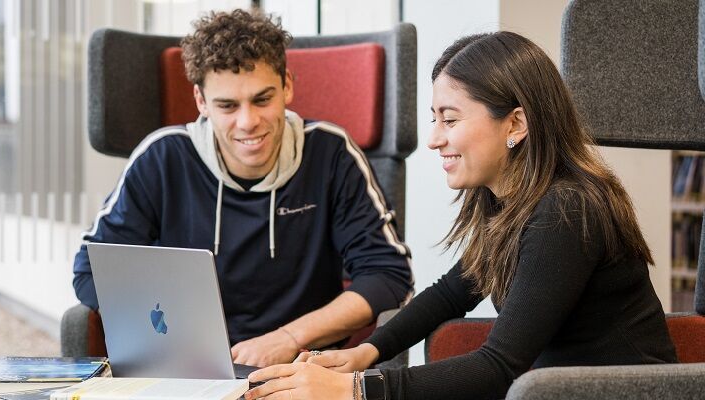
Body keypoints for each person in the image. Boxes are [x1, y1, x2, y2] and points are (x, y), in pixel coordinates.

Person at [244, 31, 678, 400]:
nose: (434, 140)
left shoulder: (566, 209)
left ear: (515, 124)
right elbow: (452, 293)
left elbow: (499, 366)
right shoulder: (510, 199)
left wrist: (356, 388)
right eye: (435, 119)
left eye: (449, 120)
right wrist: (367, 353)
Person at [71, 9, 413, 368]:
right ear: (201, 102)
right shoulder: (161, 158)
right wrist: (178, 343)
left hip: (303, 368)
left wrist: (289, 339)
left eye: (262, 99)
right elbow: (93, 271)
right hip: (188, 370)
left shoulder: (332, 153)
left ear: (287, 86)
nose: (248, 122)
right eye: (228, 106)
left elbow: (388, 274)